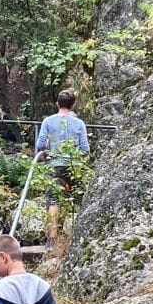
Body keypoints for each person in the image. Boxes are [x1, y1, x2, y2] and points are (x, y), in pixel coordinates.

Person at [33, 90, 90, 243]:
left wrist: (49, 151)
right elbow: (85, 149)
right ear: (73, 105)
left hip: (53, 165)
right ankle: (78, 238)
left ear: (57, 104)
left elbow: (40, 145)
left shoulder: (48, 121)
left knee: (53, 200)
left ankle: (52, 240)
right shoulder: (79, 123)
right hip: (74, 166)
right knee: (79, 199)